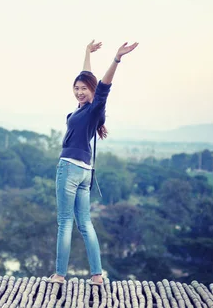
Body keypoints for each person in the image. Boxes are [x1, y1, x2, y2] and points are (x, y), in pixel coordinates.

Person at [47, 40, 139, 286]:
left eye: (83, 89)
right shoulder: (86, 110)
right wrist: (86, 53)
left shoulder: (94, 106)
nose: (79, 91)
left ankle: (59, 275)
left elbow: (103, 87)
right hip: (85, 172)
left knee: (65, 222)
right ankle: (97, 276)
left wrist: (116, 59)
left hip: (69, 168)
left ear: (92, 90)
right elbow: (89, 79)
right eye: (76, 88)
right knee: (85, 223)